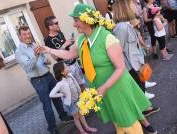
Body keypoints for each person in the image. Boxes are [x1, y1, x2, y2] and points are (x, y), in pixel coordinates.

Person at [35, 3, 158, 134]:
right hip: (100, 88)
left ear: (87, 20)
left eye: (76, 20)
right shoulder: (81, 39)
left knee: (128, 121)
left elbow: (120, 68)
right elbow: (69, 54)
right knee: (117, 119)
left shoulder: (107, 37)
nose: (74, 24)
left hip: (116, 87)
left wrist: (104, 87)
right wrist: (48, 49)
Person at [15, 26, 72, 134]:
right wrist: (36, 56)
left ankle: (63, 116)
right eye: (24, 34)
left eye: (28, 33)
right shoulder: (19, 52)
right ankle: (52, 128)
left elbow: (43, 59)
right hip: (38, 81)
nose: (27, 36)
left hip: (48, 75)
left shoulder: (34, 45)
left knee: (57, 98)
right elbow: (28, 67)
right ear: (19, 37)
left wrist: (46, 61)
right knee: (47, 105)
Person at [49, 61, 97, 134]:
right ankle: (82, 131)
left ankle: (87, 127)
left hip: (78, 99)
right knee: (76, 118)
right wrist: (61, 94)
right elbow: (51, 94)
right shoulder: (60, 84)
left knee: (81, 115)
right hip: (71, 103)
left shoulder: (70, 75)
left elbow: (76, 85)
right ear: (62, 72)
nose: (68, 67)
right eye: (66, 67)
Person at [44, 16, 86, 90]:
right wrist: (65, 45)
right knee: (74, 89)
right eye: (56, 23)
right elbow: (55, 57)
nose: (58, 24)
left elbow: (65, 48)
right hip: (65, 68)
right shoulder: (48, 40)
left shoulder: (60, 33)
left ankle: (88, 101)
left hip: (74, 63)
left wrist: (69, 43)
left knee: (82, 85)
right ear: (50, 27)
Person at [130, 19, 157, 89]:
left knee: (141, 67)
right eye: (138, 24)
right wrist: (146, 46)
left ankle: (145, 81)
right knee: (141, 68)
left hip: (138, 50)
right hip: (138, 51)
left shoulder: (134, 31)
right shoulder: (136, 31)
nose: (139, 25)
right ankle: (144, 83)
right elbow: (140, 41)